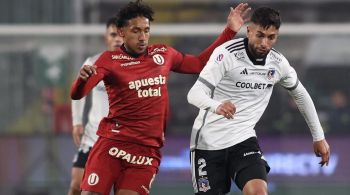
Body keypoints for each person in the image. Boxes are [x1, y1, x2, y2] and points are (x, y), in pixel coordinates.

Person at [70, 1, 251, 195]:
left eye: (146, 30)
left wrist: (230, 31)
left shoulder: (163, 54)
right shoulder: (109, 60)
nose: (142, 37)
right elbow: (77, 94)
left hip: (146, 151)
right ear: (121, 32)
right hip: (113, 143)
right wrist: (82, 80)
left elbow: (198, 63)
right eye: (136, 31)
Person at [187, 7, 330, 195]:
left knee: (258, 192)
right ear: (248, 31)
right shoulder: (226, 54)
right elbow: (194, 94)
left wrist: (318, 136)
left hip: (243, 140)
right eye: (260, 35)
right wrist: (217, 106)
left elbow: (301, 95)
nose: (264, 43)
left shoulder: (278, 63)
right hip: (207, 143)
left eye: (271, 37)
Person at [68, 17, 123, 195]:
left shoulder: (135, 66)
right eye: (113, 34)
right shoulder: (93, 63)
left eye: (121, 35)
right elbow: (78, 93)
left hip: (121, 139)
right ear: (105, 37)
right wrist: (77, 122)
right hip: (93, 136)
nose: (117, 39)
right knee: (77, 184)